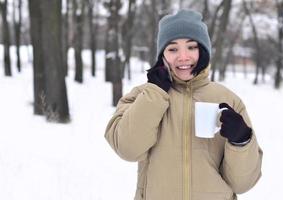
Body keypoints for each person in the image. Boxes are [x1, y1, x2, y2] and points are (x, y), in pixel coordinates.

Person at [105, 9, 262, 200]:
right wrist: (155, 93)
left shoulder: (228, 100)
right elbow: (128, 149)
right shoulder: (143, 95)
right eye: (172, 49)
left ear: (203, 51)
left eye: (191, 47)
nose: (183, 57)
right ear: (162, 55)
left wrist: (241, 140)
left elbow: (242, 183)